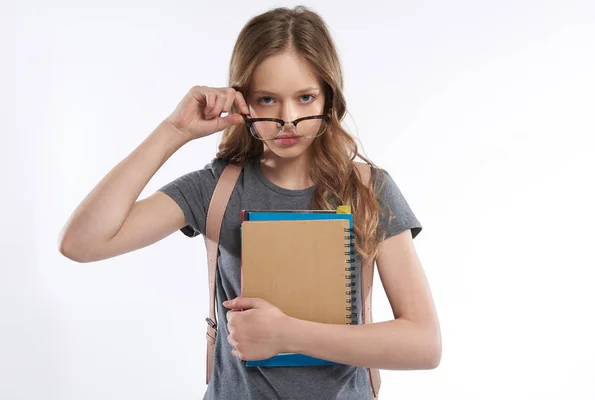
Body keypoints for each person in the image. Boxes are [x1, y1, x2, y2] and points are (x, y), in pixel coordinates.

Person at [58, 5, 441, 400]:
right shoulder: (217, 189)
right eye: (267, 100)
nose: (288, 118)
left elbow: (424, 343)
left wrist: (286, 334)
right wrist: (174, 131)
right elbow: (82, 243)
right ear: (242, 100)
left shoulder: (366, 189)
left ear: (328, 96)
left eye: (305, 97)